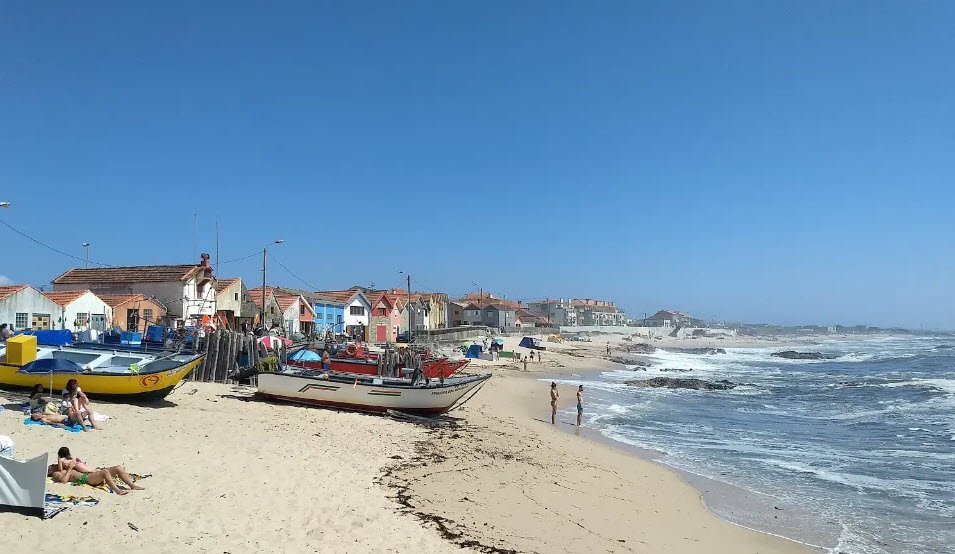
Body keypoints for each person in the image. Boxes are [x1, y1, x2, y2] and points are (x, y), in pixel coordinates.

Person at [48, 457, 143, 496]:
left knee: (118, 468)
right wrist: (69, 469)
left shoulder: (67, 467)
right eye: (52, 466)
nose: (55, 464)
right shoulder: (57, 474)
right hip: (86, 479)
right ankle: (117, 491)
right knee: (105, 472)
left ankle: (132, 486)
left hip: (90, 475)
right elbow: (63, 481)